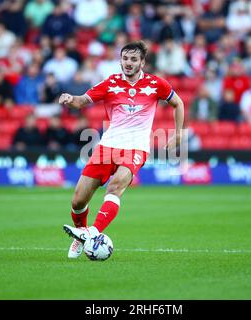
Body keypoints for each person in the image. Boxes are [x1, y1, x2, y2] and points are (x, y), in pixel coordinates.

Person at [58, 41, 184, 258]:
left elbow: (178, 103)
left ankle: (91, 234)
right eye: (125, 58)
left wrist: (179, 133)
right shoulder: (110, 83)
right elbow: (82, 101)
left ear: (142, 62)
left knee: (115, 187)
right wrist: (70, 99)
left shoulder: (156, 84)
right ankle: (83, 233)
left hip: (136, 147)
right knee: (78, 200)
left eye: (134, 59)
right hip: (107, 146)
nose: (128, 63)